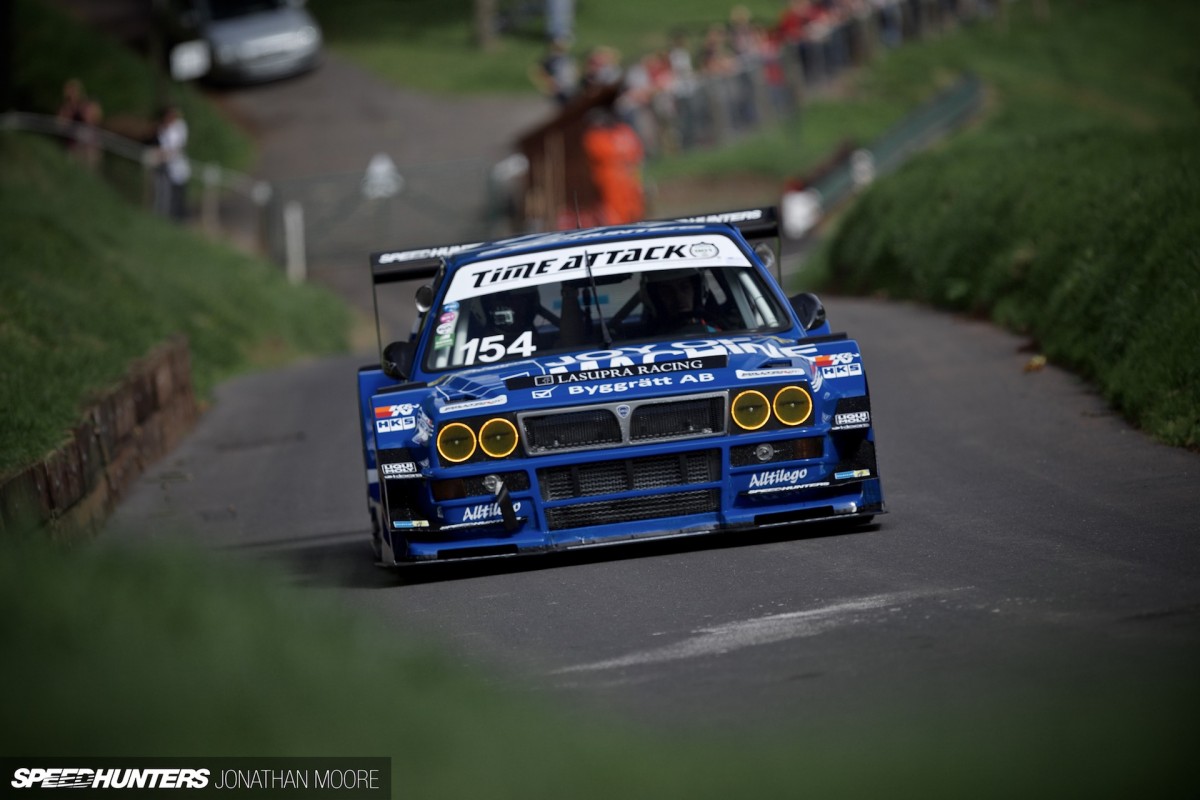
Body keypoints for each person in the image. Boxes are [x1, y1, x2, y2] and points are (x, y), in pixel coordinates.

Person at [582, 107, 645, 225]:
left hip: (629, 175)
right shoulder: (593, 137)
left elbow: (636, 149)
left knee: (635, 206)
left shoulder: (623, 131)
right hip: (610, 178)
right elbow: (604, 154)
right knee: (616, 210)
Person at [641, 269, 716, 335]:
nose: (678, 296)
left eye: (684, 287)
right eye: (667, 291)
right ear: (655, 298)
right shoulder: (646, 341)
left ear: (697, 291)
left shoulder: (718, 333)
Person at [154, 105, 191, 221]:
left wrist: (167, 153)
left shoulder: (180, 126)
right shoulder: (162, 128)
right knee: (165, 194)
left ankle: (178, 218)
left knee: (179, 195)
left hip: (178, 167)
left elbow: (179, 146)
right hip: (166, 166)